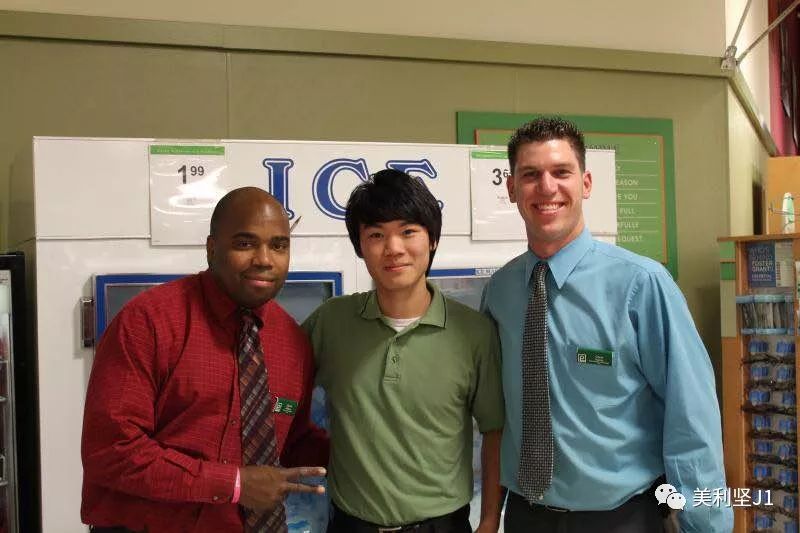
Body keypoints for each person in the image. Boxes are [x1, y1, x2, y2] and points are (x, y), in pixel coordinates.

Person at [481, 117, 732, 532]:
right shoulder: (501, 292)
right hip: (526, 518)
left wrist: (706, 526)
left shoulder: (641, 285)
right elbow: (499, 415)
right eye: (530, 175)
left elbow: (692, 420)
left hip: (623, 519)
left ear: (586, 183)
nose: (547, 187)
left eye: (562, 172)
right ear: (511, 189)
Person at [81, 187, 329, 533]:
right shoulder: (148, 322)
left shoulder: (292, 341)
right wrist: (233, 484)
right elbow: (111, 452)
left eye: (278, 246)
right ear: (212, 248)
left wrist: (367, 453)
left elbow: (291, 442)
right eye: (245, 243)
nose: (264, 259)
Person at [302, 169, 505, 533]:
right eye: (376, 235)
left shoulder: (474, 332)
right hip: (351, 525)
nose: (393, 248)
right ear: (359, 246)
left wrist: (489, 519)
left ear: (433, 239)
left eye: (408, 231)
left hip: (442, 526)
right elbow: (279, 389)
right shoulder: (331, 322)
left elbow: (495, 430)